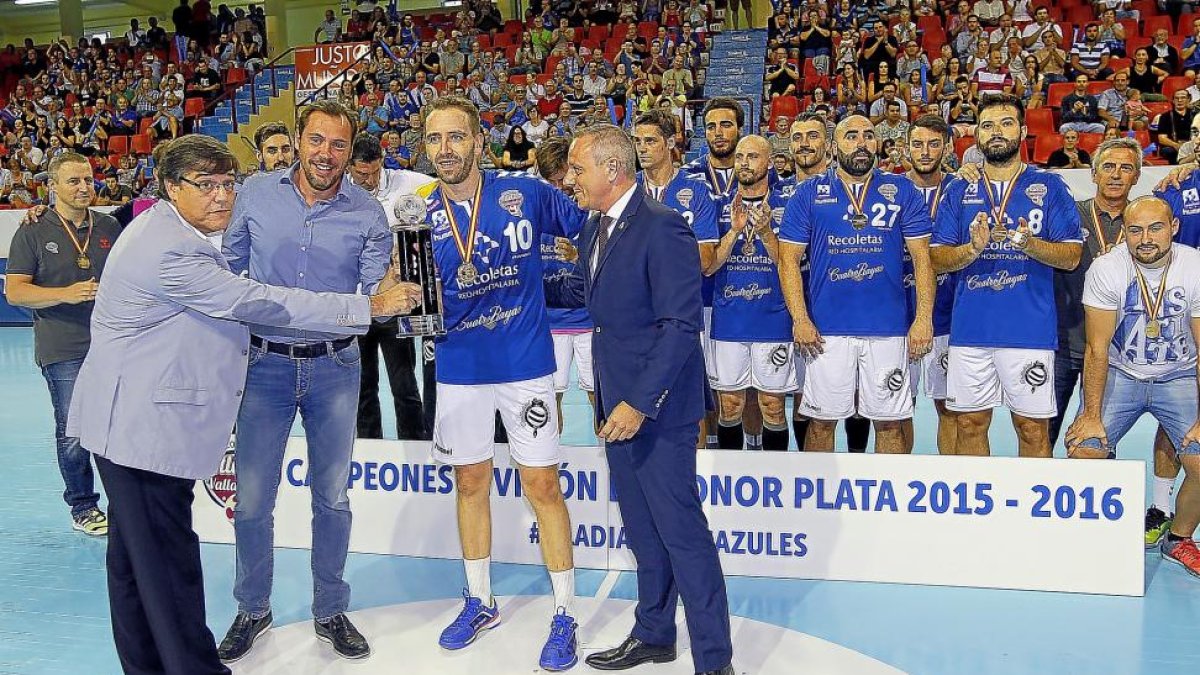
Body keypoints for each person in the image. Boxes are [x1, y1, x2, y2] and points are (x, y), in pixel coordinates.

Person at [64, 135, 421, 675]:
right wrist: (365, 305)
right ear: (170, 187)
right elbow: (257, 300)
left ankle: (147, 666)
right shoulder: (171, 250)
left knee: (136, 566)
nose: (222, 197)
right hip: (141, 431)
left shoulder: (172, 231)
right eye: (205, 185)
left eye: (228, 184)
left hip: (130, 427)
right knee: (168, 566)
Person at [540, 123, 734, 675]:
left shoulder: (663, 227)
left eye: (577, 169)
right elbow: (595, 301)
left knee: (683, 535)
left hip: (657, 411)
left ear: (612, 170)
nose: (569, 179)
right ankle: (654, 634)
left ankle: (716, 662)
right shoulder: (593, 228)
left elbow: (680, 326)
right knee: (643, 532)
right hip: (616, 410)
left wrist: (639, 403)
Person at [413, 96, 587, 671]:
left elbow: (589, 227)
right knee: (470, 482)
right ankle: (480, 599)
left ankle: (565, 612)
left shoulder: (527, 194)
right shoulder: (416, 211)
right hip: (458, 366)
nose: (445, 150)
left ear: (478, 141)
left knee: (542, 484)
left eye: (456, 137)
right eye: (434, 139)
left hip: (525, 362)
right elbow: (403, 281)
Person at [217, 100, 392, 662]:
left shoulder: (369, 214)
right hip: (262, 365)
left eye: (338, 144)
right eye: (316, 140)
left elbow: (373, 304)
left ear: (350, 150)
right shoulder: (254, 196)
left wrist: (374, 302)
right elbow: (228, 273)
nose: (326, 154)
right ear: (298, 139)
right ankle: (252, 608)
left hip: (335, 370)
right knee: (251, 503)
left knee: (332, 497)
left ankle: (330, 608)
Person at [931, 94, 1084, 457]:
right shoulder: (958, 188)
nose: (996, 132)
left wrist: (1029, 244)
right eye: (987, 126)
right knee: (968, 423)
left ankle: (1032, 512)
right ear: (977, 137)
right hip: (971, 331)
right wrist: (972, 249)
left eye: (1005, 123)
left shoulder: (1050, 187)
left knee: (1032, 429)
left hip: (1028, 331)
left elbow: (1072, 256)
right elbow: (936, 258)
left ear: (1023, 131)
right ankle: (975, 510)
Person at [778, 114, 935, 453]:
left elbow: (923, 259)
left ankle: (887, 502)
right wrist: (800, 319)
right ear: (834, 147)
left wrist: (923, 318)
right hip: (826, 331)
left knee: (890, 424)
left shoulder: (903, 190)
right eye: (851, 136)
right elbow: (787, 260)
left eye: (868, 135)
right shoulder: (807, 193)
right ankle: (817, 501)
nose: (861, 142)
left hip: (889, 329)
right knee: (820, 424)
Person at [1064, 196, 1200, 579]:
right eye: (1135, 229)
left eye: (1155, 228)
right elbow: (1097, 348)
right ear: (1125, 231)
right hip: (1121, 374)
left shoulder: (1194, 266)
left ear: (1173, 227)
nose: (1145, 239)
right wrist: (1091, 416)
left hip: (1180, 375)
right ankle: (1098, 539)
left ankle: (1178, 538)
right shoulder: (1107, 269)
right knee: (1084, 454)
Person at [4, 153, 122, 535]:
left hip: (113, 345)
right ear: (51, 186)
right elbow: (15, 292)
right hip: (63, 349)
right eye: (73, 181)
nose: (84, 187)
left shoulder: (108, 225)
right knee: (73, 432)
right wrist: (66, 293)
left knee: (118, 427)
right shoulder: (32, 231)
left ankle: (125, 505)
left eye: (88, 179)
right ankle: (83, 506)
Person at [683, 97, 767, 449]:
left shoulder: (762, 173)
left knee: (753, 389)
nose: (718, 133)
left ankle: (756, 448)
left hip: (749, 295)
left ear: (741, 128)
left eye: (726, 125)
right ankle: (717, 451)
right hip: (699, 297)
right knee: (710, 385)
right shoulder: (687, 178)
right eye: (711, 127)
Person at [633, 109, 720, 445]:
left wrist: (645, 261)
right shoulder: (626, 190)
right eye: (637, 141)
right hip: (636, 316)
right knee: (635, 396)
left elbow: (705, 257)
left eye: (650, 141)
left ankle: (694, 475)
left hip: (680, 314)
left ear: (671, 143)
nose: (642, 149)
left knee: (686, 403)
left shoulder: (695, 191)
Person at [707, 135, 797, 451]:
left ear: (769, 162)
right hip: (730, 320)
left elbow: (789, 264)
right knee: (730, 404)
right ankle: (733, 478)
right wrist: (733, 231)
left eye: (753, 157)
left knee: (772, 404)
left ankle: (774, 475)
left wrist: (766, 233)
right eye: (740, 156)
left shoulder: (787, 205)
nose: (744, 163)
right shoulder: (718, 206)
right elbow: (709, 267)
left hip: (773, 319)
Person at [346, 133, 437, 440]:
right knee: (363, 384)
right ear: (349, 166)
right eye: (361, 174)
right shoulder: (338, 191)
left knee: (404, 383)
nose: (368, 179)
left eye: (373, 172)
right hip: (356, 303)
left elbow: (445, 191)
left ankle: (415, 445)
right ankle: (369, 447)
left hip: (395, 300)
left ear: (381, 161)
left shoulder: (410, 183)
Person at [905, 116, 958, 454]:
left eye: (934, 144)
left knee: (949, 407)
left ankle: (952, 484)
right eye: (918, 144)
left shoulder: (962, 189)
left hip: (950, 314)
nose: (925, 152)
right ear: (905, 148)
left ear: (948, 147)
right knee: (896, 410)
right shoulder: (890, 189)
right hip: (900, 315)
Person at [535, 136, 596, 432]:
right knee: (549, 400)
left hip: (588, 318)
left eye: (562, 180)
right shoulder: (529, 210)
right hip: (548, 321)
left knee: (599, 396)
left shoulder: (592, 207)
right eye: (551, 182)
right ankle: (550, 463)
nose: (558, 189)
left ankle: (609, 461)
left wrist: (578, 255)